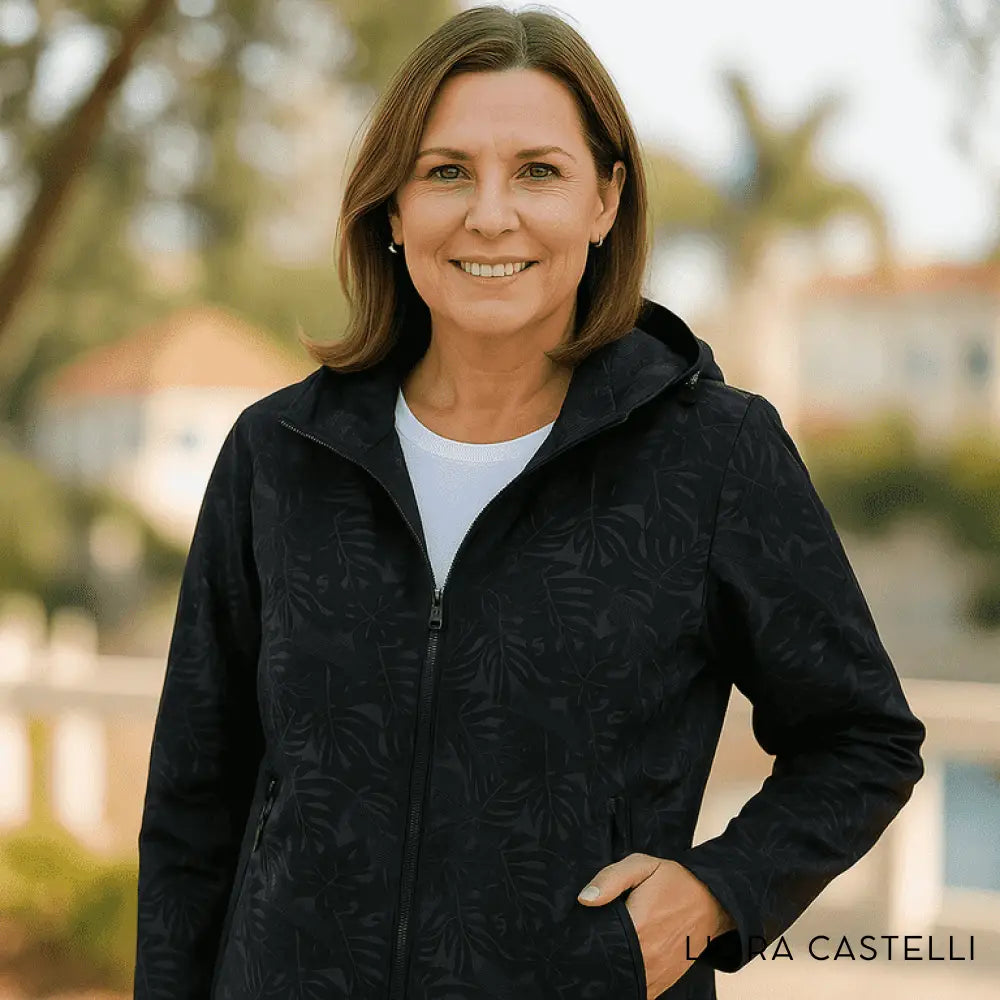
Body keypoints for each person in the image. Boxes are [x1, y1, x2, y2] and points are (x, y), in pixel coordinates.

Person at [133, 6, 926, 1000]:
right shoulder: (280, 454)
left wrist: (714, 894)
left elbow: (862, 739)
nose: (489, 214)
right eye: (446, 171)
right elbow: (192, 808)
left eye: (538, 171)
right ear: (392, 209)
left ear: (606, 199)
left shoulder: (714, 454)